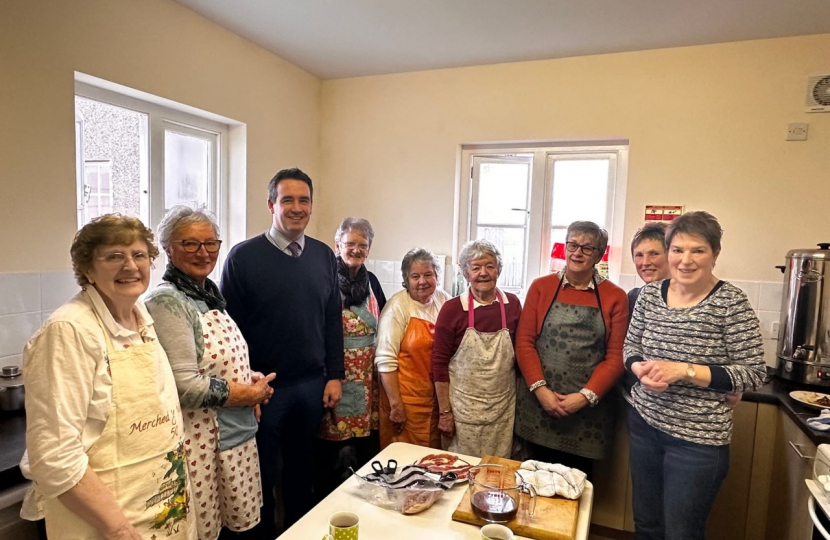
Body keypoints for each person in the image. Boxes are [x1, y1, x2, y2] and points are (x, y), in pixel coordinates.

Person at [20, 215, 195, 540]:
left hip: (161, 511)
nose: (130, 265)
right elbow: (55, 456)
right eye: (114, 256)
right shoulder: (70, 331)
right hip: (106, 527)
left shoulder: (140, 320)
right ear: (87, 270)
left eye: (139, 255)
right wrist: (119, 530)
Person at [623, 211, 765, 540]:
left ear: (715, 254)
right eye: (678, 250)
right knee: (646, 526)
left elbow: (753, 372)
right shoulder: (649, 295)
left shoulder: (731, 302)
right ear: (669, 252)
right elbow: (631, 346)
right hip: (645, 425)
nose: (686, 260)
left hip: (697, 443)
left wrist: (683, 371)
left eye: (697, 250)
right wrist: (639, 369)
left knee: (681, 533)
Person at [220, 168, 344, 538]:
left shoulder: (323, 256)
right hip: (264, 390)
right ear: (271, 204)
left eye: (303, 200)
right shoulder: (243, 258)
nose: (296, 207)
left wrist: (334, 374)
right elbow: (232, 330)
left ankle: (299, 532)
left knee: (302, 471)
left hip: (311, 385)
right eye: (287, 199)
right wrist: (246, 387)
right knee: (260, 474)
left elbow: (331, 320)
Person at [145, 206, 276, 540]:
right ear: (168, 249)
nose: (203, 252)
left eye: (210, 243)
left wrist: (251, 378)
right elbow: (185, 385)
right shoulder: (167, 302)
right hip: (203, 447)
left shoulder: (208, 296)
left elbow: (219, 362)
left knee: (243, 529)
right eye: (190, 244)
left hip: (237, 439)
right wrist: (250, 394)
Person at [515, 221, 628, 474]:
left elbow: (615, 356)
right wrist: (540, 389)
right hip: (538, 407)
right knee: (533, 487)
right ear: (564, 247)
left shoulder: (615, 296)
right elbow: (524, 342)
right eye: (573, 245)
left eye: (587, 248)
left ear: (599, 255)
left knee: (575, 489)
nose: (577, 253)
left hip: (587, 415)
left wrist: (585, 396)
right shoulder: (540, 287)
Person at [315, 217, 387, 497]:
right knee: (332, 452)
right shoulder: (324, 279)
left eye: (363, 245)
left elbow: (383, 325)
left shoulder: (373, 282)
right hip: (335, 377)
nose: (356, 250)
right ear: (338, 245)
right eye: (350, 244)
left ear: (369, 249)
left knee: (364, 448)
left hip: (368, 380)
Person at [432, 239, 522, 458]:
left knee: (497, 473)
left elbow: (521, 357)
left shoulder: (513, 305)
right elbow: (439, 364)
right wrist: (445, 413)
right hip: (462, 411)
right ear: (465, 273)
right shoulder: (452, 309)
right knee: (461, 470)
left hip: (503, 410)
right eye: (476, 267)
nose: (483, 273)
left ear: (498, 270)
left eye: (490, 266)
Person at [375, 248, 451, 449]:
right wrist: (396, 405)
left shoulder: (444, 300)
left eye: (428, 274)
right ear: (406, 280)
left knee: (434, 462)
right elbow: (385, 361)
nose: (422, 281)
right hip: (405, 403)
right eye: (415, 276)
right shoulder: (396, 308)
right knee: (404, 463)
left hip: (436, 402)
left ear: (437, 276)